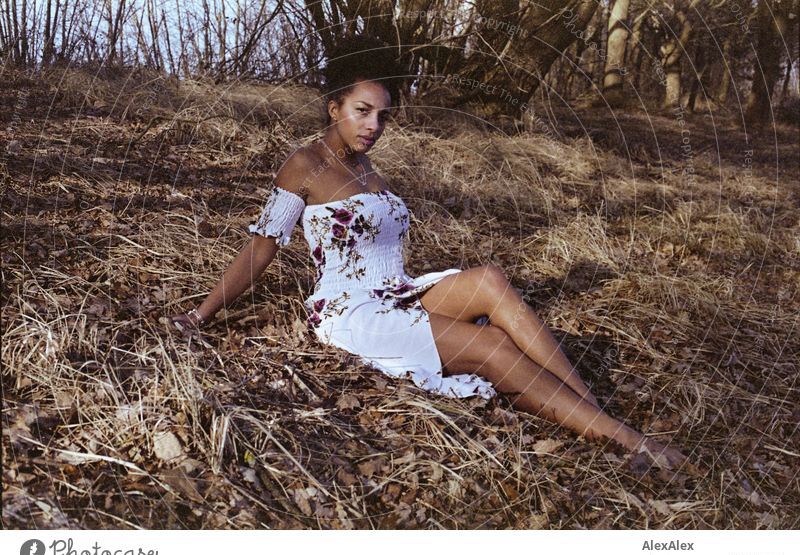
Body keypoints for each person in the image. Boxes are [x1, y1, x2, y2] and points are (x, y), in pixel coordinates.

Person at [171, 34, 687, 471]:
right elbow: (261, 247)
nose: (372, 126)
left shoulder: (371, 170)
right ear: (335, 108)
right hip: (352, 311)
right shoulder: (303, 165)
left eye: (382, 116)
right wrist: (201, 314)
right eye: (361, 111)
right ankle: (627, 441)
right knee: (494, 350)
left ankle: (590, 414)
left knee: (489, 280)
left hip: (396, 291)